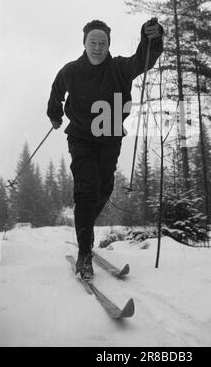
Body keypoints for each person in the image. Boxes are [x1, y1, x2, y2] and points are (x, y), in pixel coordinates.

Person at [47, 18, 164, 279]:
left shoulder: (119, 68)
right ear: (85, 43)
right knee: (86, 191)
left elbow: (142, 60)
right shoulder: (71, 70)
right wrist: (54, 114)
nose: (97, 47)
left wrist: (151, 39)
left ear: (108, 45)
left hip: (110, 136)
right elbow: (57, 91)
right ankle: (84, 254)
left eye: (102, 43)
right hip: (81, 138)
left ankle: (84, 225)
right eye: (93, 43)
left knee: (104, 188)